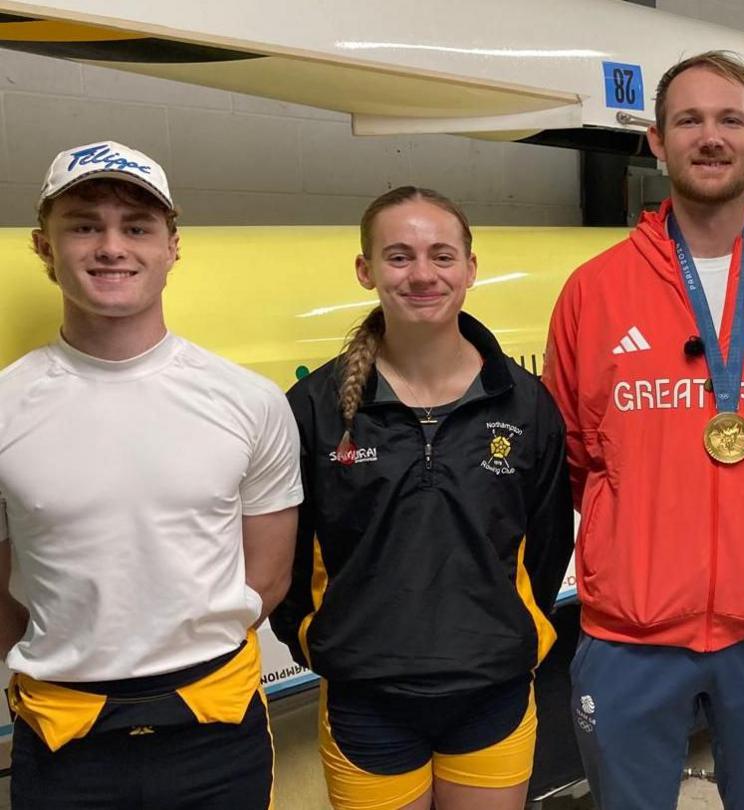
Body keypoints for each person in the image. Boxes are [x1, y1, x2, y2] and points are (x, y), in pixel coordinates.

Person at [541, 51, 744, 809]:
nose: (710, 136)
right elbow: (576, 455)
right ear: (657, 141)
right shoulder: (595, 291)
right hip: (632, 633)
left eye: (730, 120)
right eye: (689, 119)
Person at [0, 140, 301, 808]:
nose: (112, 247)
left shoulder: (248, 401)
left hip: (214, 733)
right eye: (84, 225)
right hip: (61, 737)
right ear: (42, 246)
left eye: (136, 228)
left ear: (173, 246)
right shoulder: (5, 407)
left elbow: (269, 576)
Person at [273, 186, 572, 810]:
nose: (422, 274)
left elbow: (545, 545)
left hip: (492, 695)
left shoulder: (525, 402)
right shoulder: (315, 410)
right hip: (366, 702)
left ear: (469, 268)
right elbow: (291, 558)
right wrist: (322, 637)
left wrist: (512, 633)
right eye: (399, 256)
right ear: (366, 271)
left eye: (441, 255)